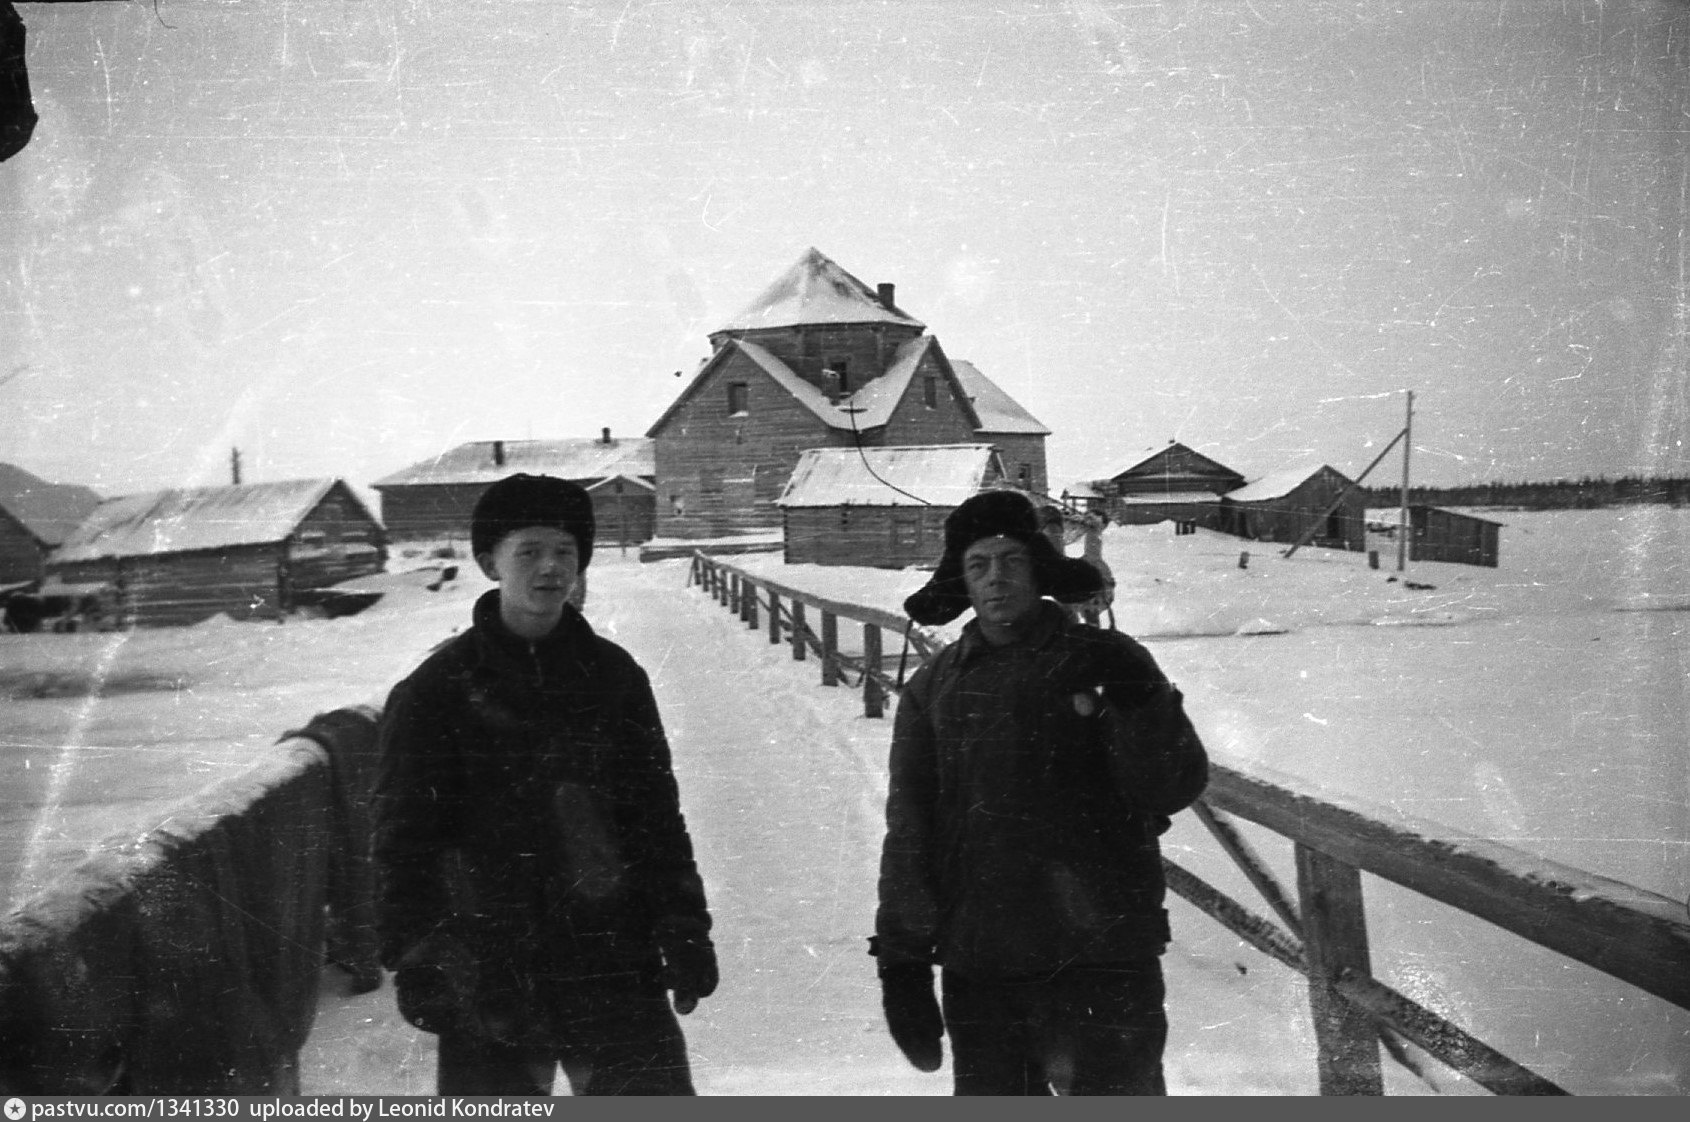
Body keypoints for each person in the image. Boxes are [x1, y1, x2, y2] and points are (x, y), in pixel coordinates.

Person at [371, 473, 717, 1096]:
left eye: (564, 551)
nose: (550, 567)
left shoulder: (615, 679)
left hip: (613, 959)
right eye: (528, 551)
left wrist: (684, 926)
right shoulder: (435, 693)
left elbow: (654, 819)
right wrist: (416, 951)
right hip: (490, 965)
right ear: (488, 562)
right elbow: (403, 839)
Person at [872, 489, 1209, 1095]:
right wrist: (903, 965)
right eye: (979, 565)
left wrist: (1139, 698)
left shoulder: (1106, 658)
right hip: (984, 964)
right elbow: (910, 830)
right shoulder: (934, 689)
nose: (996, 579)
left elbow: (1170, 787)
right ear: (961, 580)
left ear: (1039, 569)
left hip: (1102, 957)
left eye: (1011, 561)